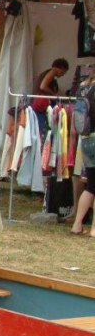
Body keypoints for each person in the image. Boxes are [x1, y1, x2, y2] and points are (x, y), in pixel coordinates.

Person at [70, 70, 95, 238]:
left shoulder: (84, 87)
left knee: (91, 185)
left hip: (85, 140)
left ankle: (77, 224)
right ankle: (94, 229)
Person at [32, 57, 69, 133]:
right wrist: (54, 95)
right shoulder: (52, 72)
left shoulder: (46, 73)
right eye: (64, 72)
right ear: (61, 68)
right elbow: (43, 86)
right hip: (42, 104)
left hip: (39, 104)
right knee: (42, 128)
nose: (63, 74)